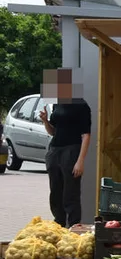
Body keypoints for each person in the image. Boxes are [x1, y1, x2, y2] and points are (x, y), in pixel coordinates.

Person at [39, 68, 91, 227]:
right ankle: (58, 225)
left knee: (71, 194)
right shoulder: (57, 104)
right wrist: (45, 121)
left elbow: (86, 135)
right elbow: (53, 131)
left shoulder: (81, 105)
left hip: (72, 150)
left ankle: (74, 228)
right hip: (55, 150)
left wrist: (80, 161)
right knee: (55, 193)